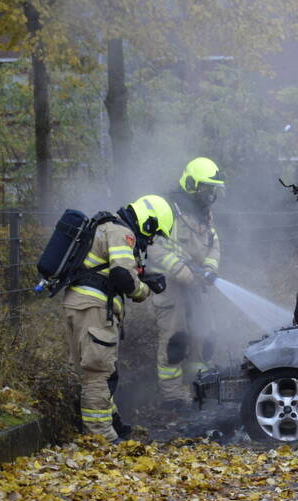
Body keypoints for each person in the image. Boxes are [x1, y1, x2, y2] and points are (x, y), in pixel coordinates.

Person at [63, 196, 171, 443]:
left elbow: (112, 268)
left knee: (101, 371)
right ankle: (101, 439)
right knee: (98, 373)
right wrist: (144, 290)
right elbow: (122, 275)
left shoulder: (108, 227)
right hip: (94, 309)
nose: (152, 240)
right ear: (148, 223)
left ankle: (113, 424)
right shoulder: (123, 233)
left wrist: (145, 276)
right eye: (154, 233)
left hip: (80, 306)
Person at [146, 157, 224, 409]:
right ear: (191, 184)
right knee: (175, 341)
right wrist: (182, 270)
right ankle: (173, 398)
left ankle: (199, 389)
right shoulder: (169, 209)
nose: (210, 194)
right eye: (206, 187)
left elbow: (214, 245)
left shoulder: (204, 215)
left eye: (213, 188)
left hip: (197, 287)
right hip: (170, 287)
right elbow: (153, 247)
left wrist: (210, 268)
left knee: (204, 336)